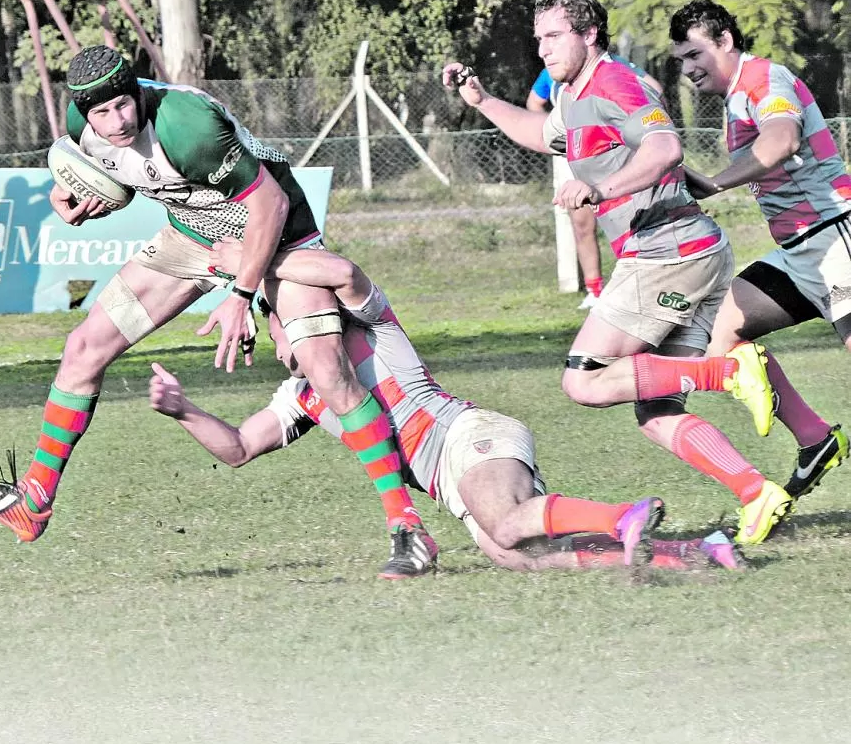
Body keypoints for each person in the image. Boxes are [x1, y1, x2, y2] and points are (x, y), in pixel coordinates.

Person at [0, 45, 438, 579]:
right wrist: (81, 199)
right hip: (191, 236)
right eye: (102, 113)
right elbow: (133, 177)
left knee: (325, 371)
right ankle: (34, 500)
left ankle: (407, 526)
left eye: (124, 105)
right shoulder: (83, 123)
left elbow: (267, 205)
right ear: (84, 111)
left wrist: (241, 295)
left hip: (277, 238)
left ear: (137, 90)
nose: (118, 120)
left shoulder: (187, 125)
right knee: (83, 348)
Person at [443, 0, 793, 547]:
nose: (544, 49)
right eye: (539, 39)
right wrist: (482, 101)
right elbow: (539, 133)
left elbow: (665, 150)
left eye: (555, 36)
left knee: (583, 381)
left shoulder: (618, 84)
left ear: (589, 33)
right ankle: (758, 493)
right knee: (654, 408)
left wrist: (601, 188)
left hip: (667, 254)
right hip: (683, 252)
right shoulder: (576, 96)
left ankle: (729, 372)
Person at [150, 242, 742, 572]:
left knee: (509, 525)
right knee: (527, 558)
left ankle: (623, 515)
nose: (290, 342)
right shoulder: (300, 396)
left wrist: (242, 264)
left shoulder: (367, 324)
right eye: (282, 331)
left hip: (469, 437)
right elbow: (238, 448)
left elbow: (342, 271)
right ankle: (692, 554)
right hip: (448, 484)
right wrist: (182, 409)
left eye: (295, 325)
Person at [669, 0, 850, 501]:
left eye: (694, 54)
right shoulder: (735, 97)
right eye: (680, 60)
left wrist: (715, 183)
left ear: (725, 41)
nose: (687, 69)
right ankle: (816, 439)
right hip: (798, 251)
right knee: (723, 335)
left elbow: (782, 139)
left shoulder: (764, 80)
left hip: (835, 239)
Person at [527, 58, 664, 309]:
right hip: (575, 155)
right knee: (581, 222)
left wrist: (645, 128)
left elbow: (655, 88)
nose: (545, 48)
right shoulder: (555, 70)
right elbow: (533, 103)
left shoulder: (616, 67)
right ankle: (595, 290)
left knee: (626, 217)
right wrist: (557, 135)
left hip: (611, 155)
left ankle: (636, 282)